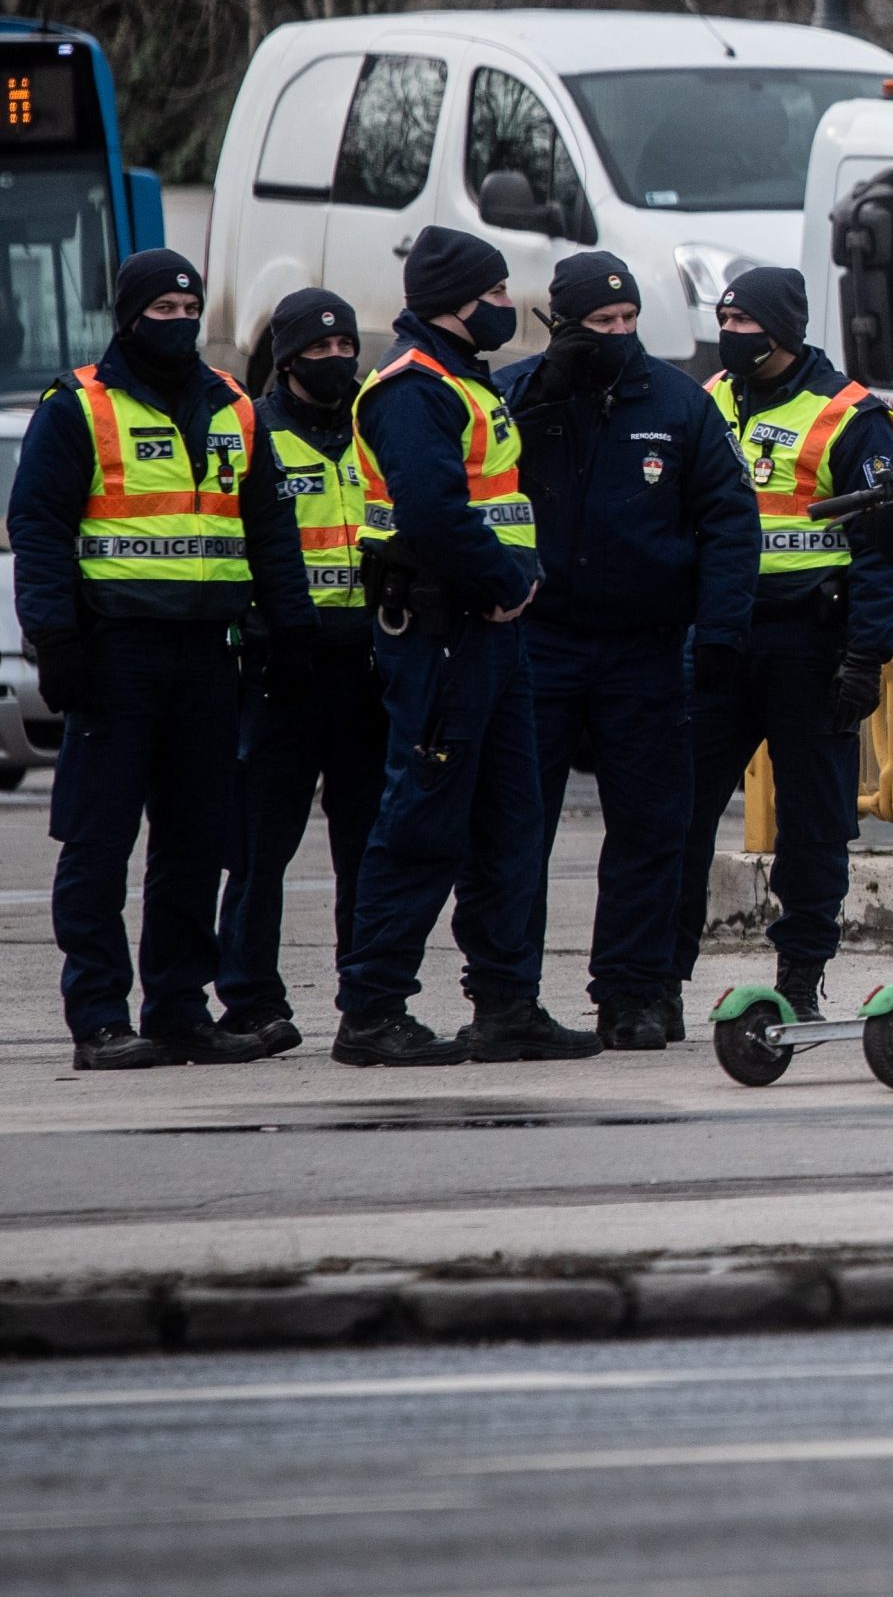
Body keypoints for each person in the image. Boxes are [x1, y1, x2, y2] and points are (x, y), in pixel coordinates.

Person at [6, 250, 311, 1069]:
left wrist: (288, 633)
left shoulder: (236, 408)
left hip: (210, 659)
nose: (178, 324)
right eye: (162, 312)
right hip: (115, 657)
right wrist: (55, 639)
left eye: (190, 310)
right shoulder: (81, 407)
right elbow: (37, 530)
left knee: (195, 841)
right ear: (128, 316)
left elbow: (272, 534)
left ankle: (179, 1009)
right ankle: (99, 1016)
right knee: (99, 844)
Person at [335, 228, 600, 1066]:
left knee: (509, 822)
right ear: (452, 300)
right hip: (446, 634)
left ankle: (505, 1003)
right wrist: (504, 582)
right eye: (491, 296)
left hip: (491, 637)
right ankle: (373, 1009)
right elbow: (434, 515)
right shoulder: (412, 391)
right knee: (423, 821)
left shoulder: (464, 383)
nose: (503, 308)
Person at [497, 251, 758, 1051]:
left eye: (628, 321)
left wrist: (719, 634)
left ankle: (637, 993)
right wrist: (547, 390)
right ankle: (507, 995)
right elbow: (477, 483)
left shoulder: (678, 404)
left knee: (651, 826)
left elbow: (729, 521)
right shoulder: (517, 396)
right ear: (562, 325)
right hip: (538, 642)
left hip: (644, 648)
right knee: (517, 828)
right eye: (600, 325)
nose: (617, 335)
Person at [670, 263, 893, 1022]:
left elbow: (883, 550)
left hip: (813, 643)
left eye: (744, 325)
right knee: (676, 811)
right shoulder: (709, 399)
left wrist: (866, 655)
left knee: (814, 821)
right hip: (721, 641)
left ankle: (800, 979)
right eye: (726, 322)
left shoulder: (850, 415)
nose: (730, 336)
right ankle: (657, 983)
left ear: (781, 331)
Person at [212, 289, 390, 1050]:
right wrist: (263, 636)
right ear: (285, 361)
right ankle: (251, 998)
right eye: (318, 352)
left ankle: (368, 995)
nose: (336, 361)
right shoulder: (257, 433)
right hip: (282, 667)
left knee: (368, 845)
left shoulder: (375, 427)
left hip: (368, 667)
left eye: (345, 347)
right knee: (259, 848)